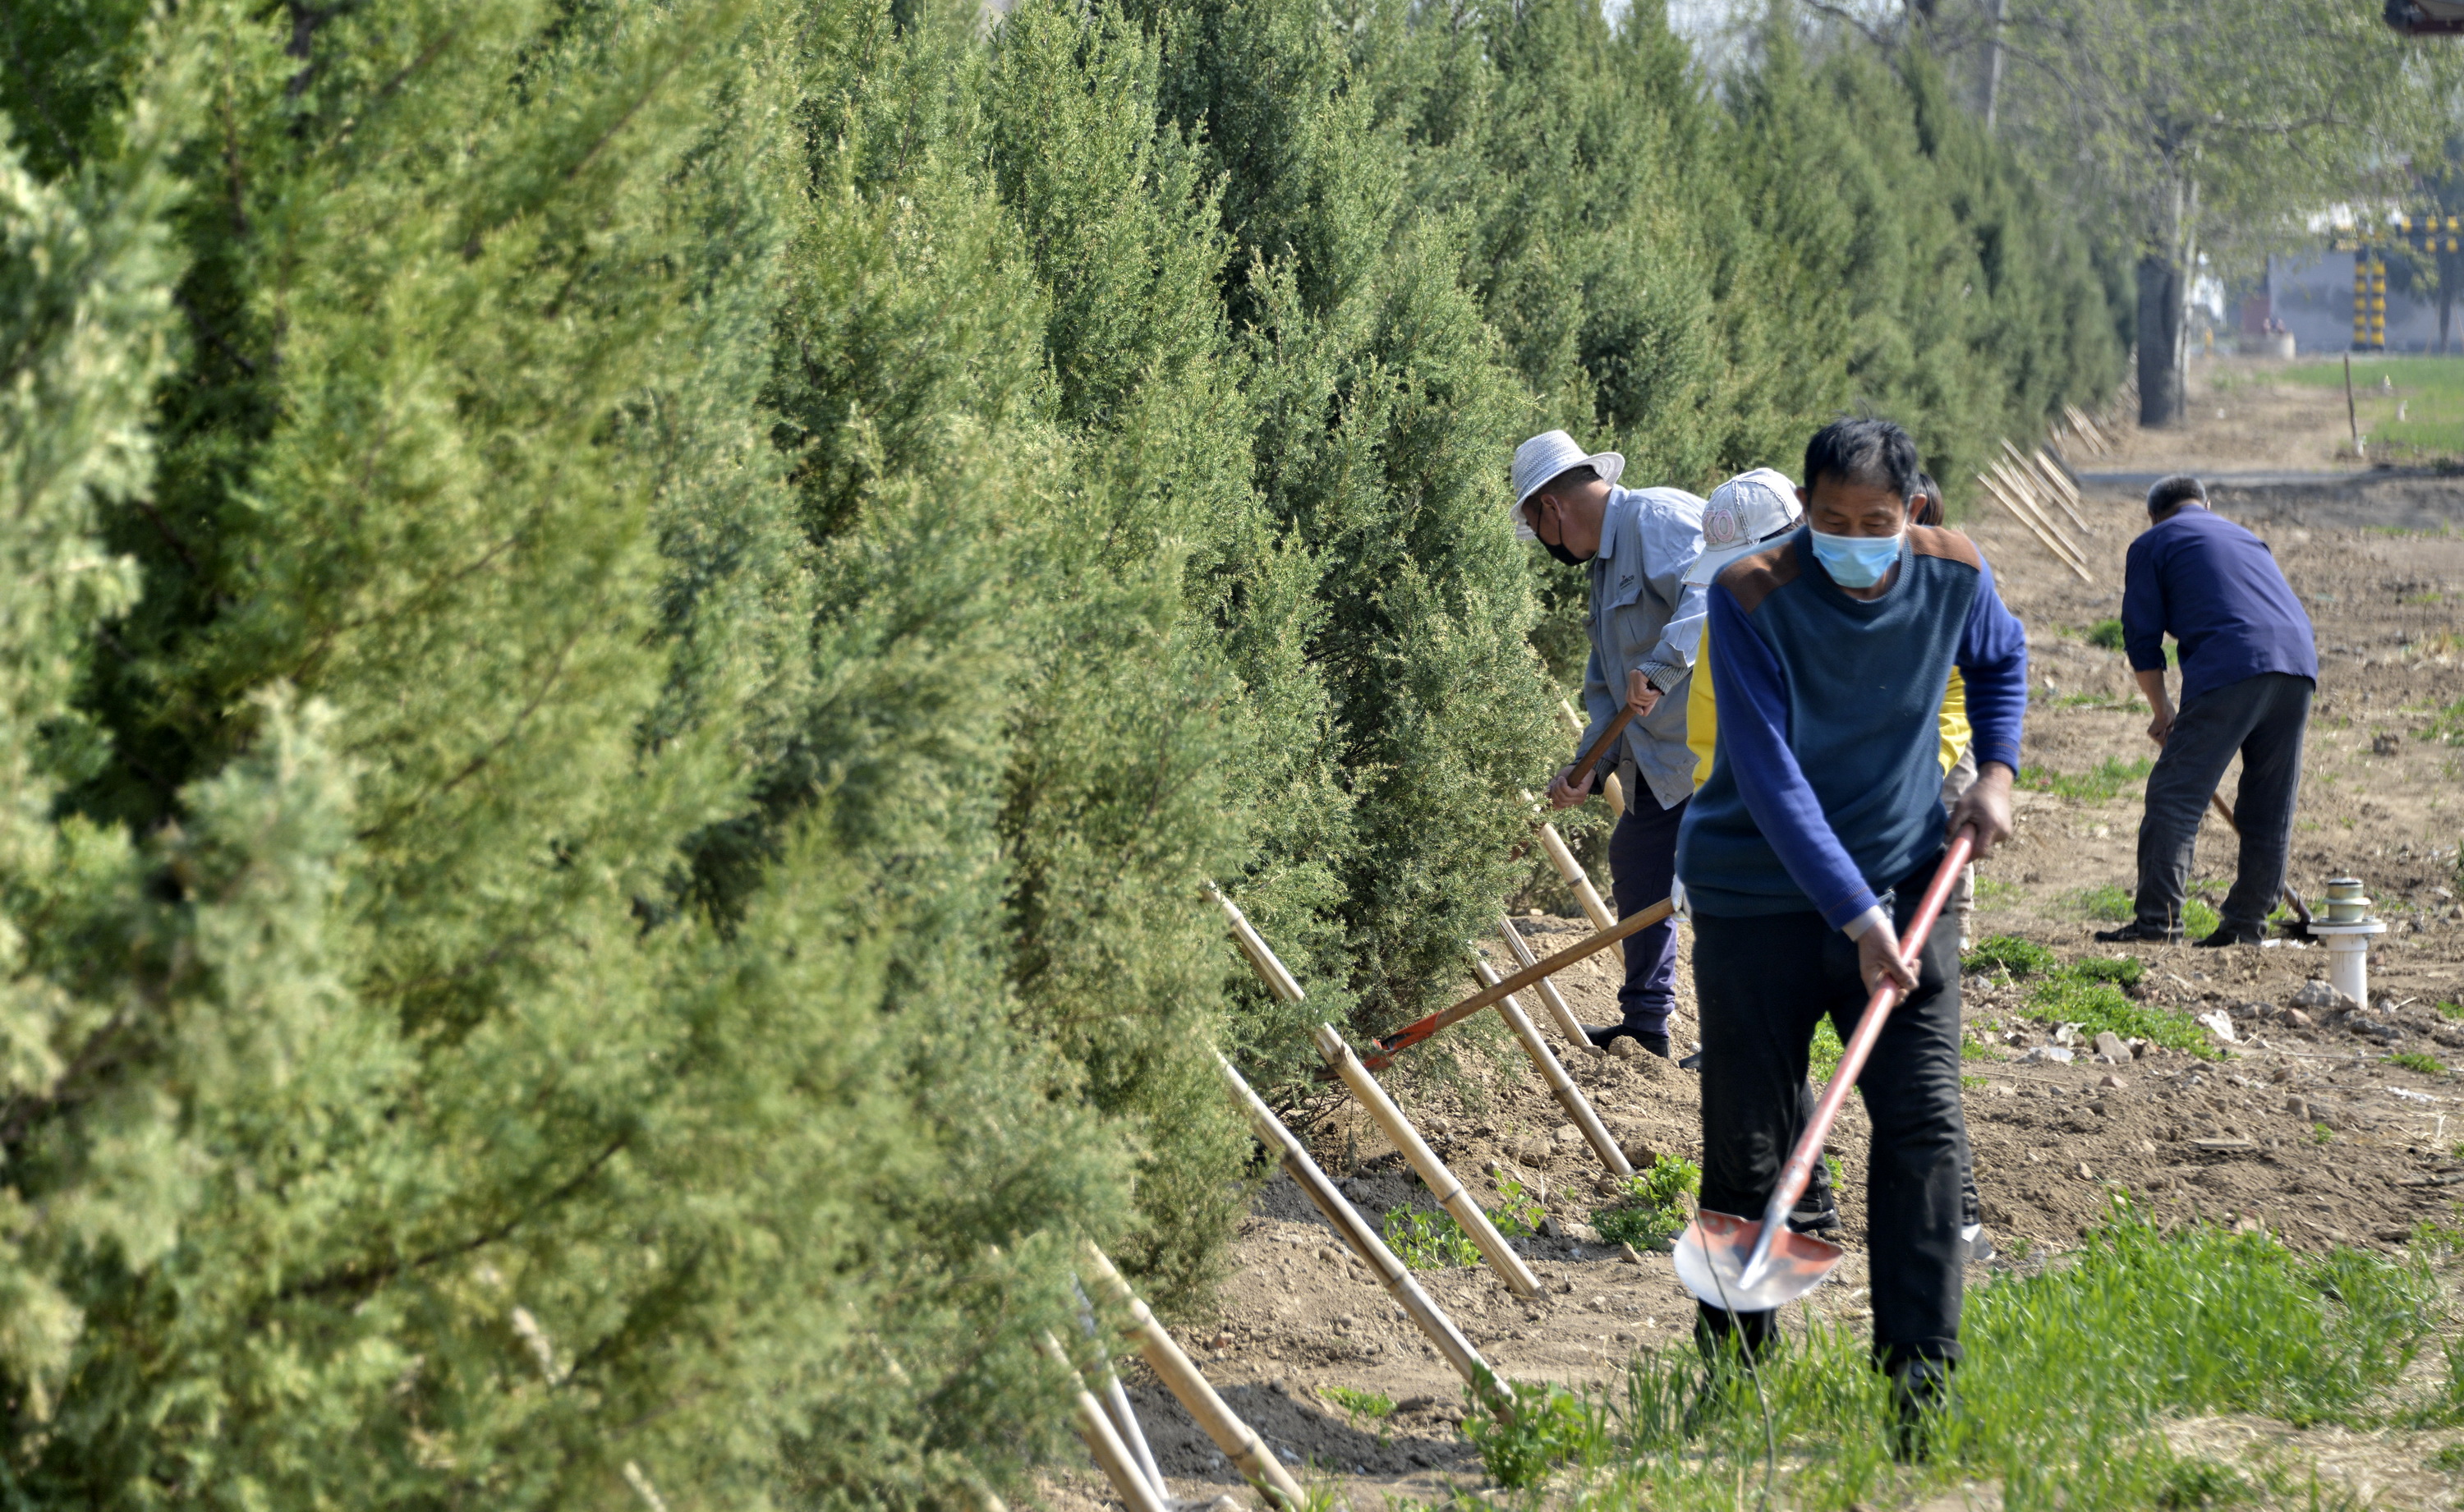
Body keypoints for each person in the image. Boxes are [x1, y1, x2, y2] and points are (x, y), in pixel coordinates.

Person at [1674, 418, 2025, 1450]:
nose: (1854, 541)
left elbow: (2002, 662)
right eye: (1831, 521)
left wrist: (1995, 773)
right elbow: (1773, 782)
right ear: (1805, 514)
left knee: (1922, 1124)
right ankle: (1736, 1376)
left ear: (1912, 512)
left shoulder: (1954, 573)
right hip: (1757, 897)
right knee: (1750, 1142)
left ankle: (1920, 1384)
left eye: (1875, 522)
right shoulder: (1749, 597)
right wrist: (1857, 916)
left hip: (1909, 886)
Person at [1512, 430, 1703, 1061]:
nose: (1544, 544)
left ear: (1552, 507)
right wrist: (1586, 771)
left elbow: (1717, 594)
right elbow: (1604, 685)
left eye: (1537, 527)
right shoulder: (1602, 572)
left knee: (1731, 891)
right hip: (1655, 761)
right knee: (1638, 859)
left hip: (1713, 751)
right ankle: (1646, 1027)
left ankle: (1746, 1034)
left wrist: (1664, 665)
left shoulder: (1658, 518)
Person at [2095, 476, 2317, 947]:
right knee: (2270, 803)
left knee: (2175, 795)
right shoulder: (2245, 536)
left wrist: (2163, 711)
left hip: (2231, 664)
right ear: (2207, 505)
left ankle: (2159, 923)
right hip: (2298, 664)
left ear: (2154, 514)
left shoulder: (2153, 542)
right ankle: (2245, 924)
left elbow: (2142, 639)